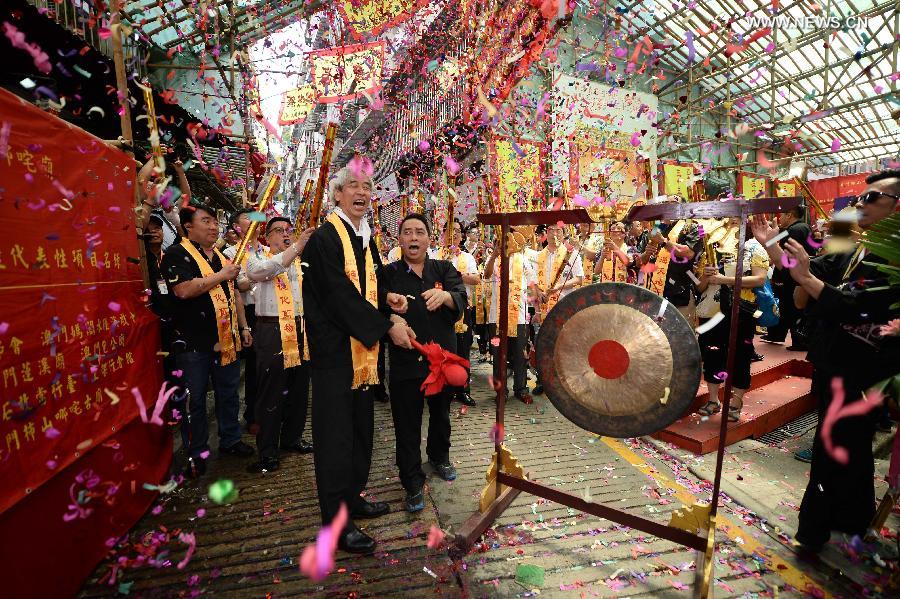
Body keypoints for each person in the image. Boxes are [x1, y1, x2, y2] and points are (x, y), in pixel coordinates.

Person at [752, 170, 900, 552]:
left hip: (865, 370)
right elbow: (812, 273)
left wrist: (809, 280)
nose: (859, 204)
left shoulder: (894, 259)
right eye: (860, 197)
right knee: (849, 449)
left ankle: (814, 531)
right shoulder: (855, 247)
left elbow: (859, 308)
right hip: (838, 363)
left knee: (831, 448)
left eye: (871, 198)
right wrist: (773, 247)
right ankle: (851, 517)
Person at [301, 165, 416, 554]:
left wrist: (390, 299)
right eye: (353, 185)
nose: (362, 192)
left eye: (368, 186)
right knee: (335, 438)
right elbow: (338, 296)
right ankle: (336, 523)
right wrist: (386, 326)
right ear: (336, 195)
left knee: (361, 431)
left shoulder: (365, 237)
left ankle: (352, 499)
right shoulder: (324, 239)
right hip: (336, 353)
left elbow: (373, 281)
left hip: (362, 353)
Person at [161, 202, 255, 477]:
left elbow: (235, 294)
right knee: (197, 400)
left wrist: (244, 327)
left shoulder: (220, 257)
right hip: (193, 343)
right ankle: (196, 452)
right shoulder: (176, 254)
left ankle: (231, 439)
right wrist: (221, 276)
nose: (213, 227)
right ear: (188, 226)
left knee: (228, 394)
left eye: (215, 222)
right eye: (206, 221)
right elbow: (183, 290)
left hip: (225, 338)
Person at [381, 214, 468, 512]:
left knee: (441, 414)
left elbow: (461, 298)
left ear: (429, 239)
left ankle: (439, 457)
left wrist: (445, 296)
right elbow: (374, 305)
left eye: (420, 232)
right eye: (408, 232)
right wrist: (390, 316)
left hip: (442, 362)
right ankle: (412, 481)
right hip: (406, 364)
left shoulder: (443, 268)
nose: (414, 238)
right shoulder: (388, 273)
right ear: (400, 239)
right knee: (406, 424)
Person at [244, 217, 316, 473]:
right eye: (279, 230)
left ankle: (292, 438)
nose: (286, 234)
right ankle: (267, 451)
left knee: (299, 389)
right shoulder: (256, 256)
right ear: (267, 236)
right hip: (272, 328)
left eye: (289, 230)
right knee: (271, 391)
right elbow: (258, 273)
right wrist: (294, 248)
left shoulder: (301, 260)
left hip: (301, 328)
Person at [696, 223, 770, 422]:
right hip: (710, 312)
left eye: (735, 219)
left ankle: (736, 402)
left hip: (741, 310)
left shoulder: (754, 247)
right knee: (711, 353)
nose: (729, 223)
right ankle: (713, 400)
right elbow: (700, 287)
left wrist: (725, 280)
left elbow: (760, 279)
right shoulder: (712, 247)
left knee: (740, 354)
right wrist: (704, 277)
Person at [484, 229, 538, 404]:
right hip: (496, 319)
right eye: (502, 239)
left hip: (520, 319)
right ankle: (501, 391)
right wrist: (493, 255)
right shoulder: (494, 258)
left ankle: (520, 389)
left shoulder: (522, 259)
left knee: (520, 354)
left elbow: (532, 284)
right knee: (498, 353)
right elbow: (485, 275)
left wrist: (535, 305)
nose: (507, 242)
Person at [531, 223, 584, 395]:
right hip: (544, 306)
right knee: (543, 343)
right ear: (546, 233)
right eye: (551, 230)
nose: (554, 233)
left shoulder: (571, 253)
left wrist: (560, 286)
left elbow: (579, 279)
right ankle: (543, 380)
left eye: (558, 230)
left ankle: (563, 382)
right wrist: (537, 294)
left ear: (563, 234)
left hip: (563, 304)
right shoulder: (539, 255)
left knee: (563, 344)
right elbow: (533, 281)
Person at [222, 209, 260, 432]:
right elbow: (241, 285)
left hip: (270, 312)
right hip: (247, 313)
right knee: (253, 367)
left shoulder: (266, 250)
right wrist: (266, 274)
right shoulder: (230, 252)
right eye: (248, 218)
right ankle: (252, 413)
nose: (255, 221)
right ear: (236, 227)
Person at [641, 195, 703, 326]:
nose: (668, 205)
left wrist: (663, 242)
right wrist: (647, 253)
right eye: (666, 203)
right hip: (655, 292)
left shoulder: (691, 227)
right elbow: (640, 262)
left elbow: (688, 253)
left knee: (681, 336)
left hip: (680, 292)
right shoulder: (656, 229)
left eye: (673, 202)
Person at [760, 205, 814, 351]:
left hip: (791, 275)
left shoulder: (795, 230)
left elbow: (786, 257)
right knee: (784, 307)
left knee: (791, 308)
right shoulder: (800, 227)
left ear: (789, 215)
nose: (780, 218)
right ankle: (777, 335)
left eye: (782, 215)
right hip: (794, 273)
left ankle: (799, 341)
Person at [437, 220, 479, 406]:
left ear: (462, 235)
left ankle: (462, 390)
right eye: (450, 230)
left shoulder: (467, 258)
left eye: (457, 231)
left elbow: (476, 279)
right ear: (444, 233)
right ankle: (441, 388)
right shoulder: (435, 254)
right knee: (441, 350)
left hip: (462, 310)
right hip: (438, 310)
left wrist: (455, 274)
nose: (454, 234)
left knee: (462, 351)